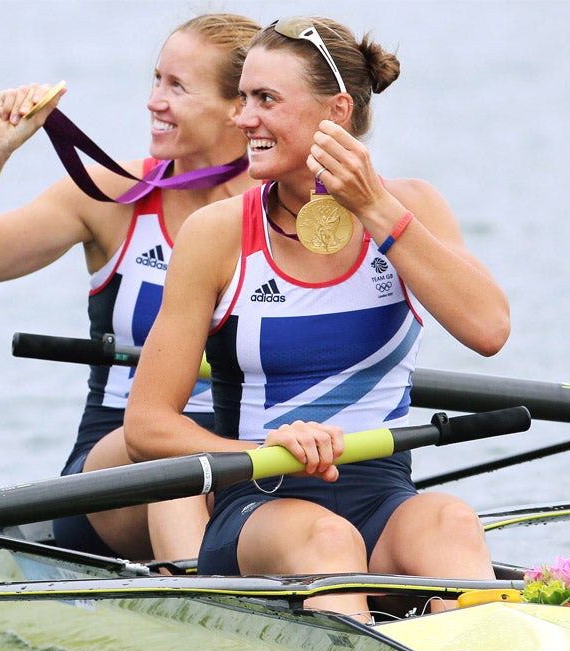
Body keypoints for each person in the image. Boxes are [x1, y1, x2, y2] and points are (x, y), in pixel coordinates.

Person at [124, 17, 511, 620]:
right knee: (326, 541)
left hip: (382, 497)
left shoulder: (415, 207)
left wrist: (378, 210)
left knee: (451, 519)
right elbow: (146, 424)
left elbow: (489, 331)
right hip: (259, 505)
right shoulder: (218, 235)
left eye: (265, 100)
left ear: (337, 111)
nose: (242, 118)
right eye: (243, 97)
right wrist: (261, 445)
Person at [0, 13, 262, 562]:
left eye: (177, 86)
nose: (154, 101)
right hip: (115, 466)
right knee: (170, 466)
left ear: (238, 107)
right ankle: (210, 607)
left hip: (250, 451)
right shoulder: (109, 194)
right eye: (156, 80)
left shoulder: (295, 210)